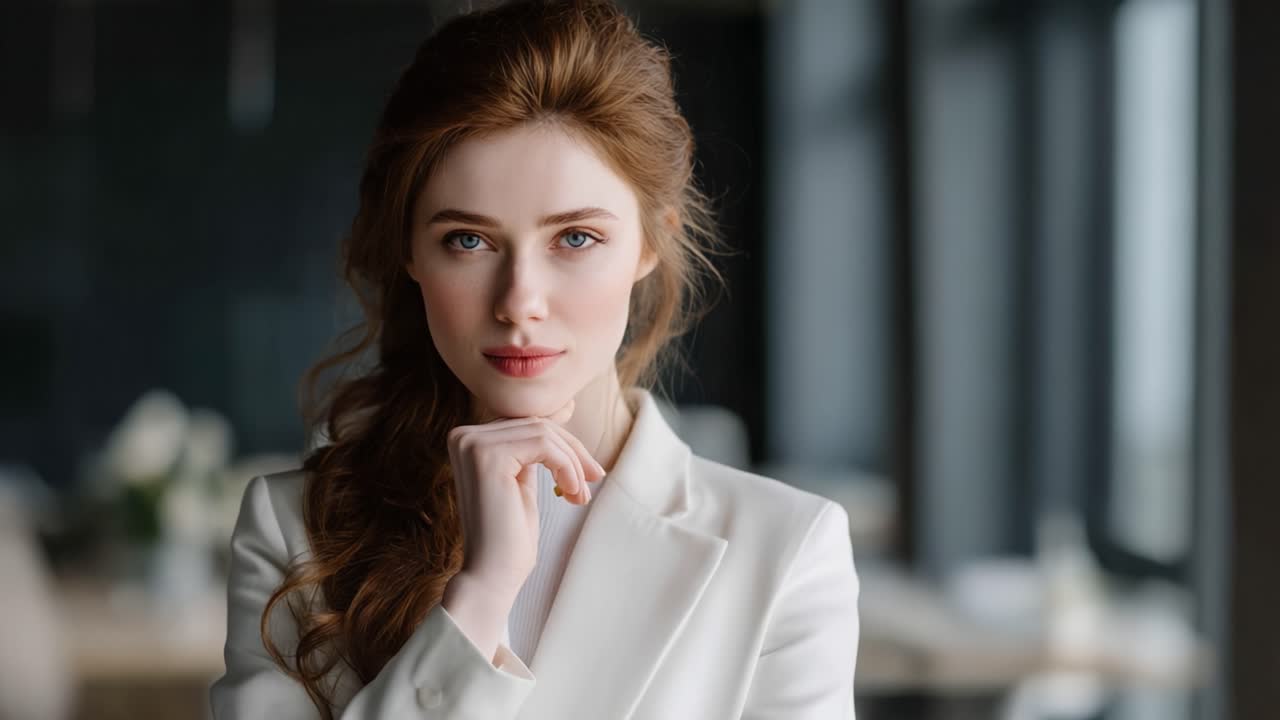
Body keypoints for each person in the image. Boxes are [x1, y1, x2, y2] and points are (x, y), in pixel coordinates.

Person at [209, 1, 860, 718]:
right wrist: (479, 596)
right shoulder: (294, 530)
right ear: (410, 251)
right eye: (468, 240)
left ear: (650, 242)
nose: (520, 301)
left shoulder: (786, 551)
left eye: (575, 239)